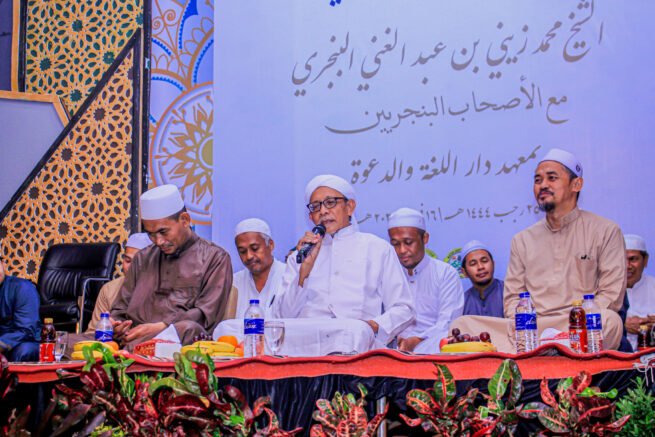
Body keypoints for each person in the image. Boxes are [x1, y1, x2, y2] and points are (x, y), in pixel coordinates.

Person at [451, 148, 626, 352]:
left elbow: (611, 295)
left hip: (579, 325)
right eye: (537, 180)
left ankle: (549, 349)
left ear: (576, 184)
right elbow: (513, 299)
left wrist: (577, 322)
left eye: (552, 178)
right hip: (534, 328)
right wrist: (526, 328)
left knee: (610, 320)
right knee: (463, 324)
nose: (543, 185)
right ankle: (551, 349)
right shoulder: (522, 240)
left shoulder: (605, 231)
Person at [273, 175, 415, 343]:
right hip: (307, 348)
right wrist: (303, 274)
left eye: (330, 202)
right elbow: (281, 316)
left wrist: (373, 327)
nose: (323, 211)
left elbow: (404, 308)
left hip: (357, 348)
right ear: (311, 217)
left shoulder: (377, 249)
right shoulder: (299, 256)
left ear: (350, 207)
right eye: (316, 207)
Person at [111, 184, 233, 347]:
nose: (158, 241)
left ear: (185, 220)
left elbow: (206, 315)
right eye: (151, 234)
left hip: (177, 341)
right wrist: (117, 326)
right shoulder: (142, 258)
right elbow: (119, 310)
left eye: (163, 232)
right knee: (76, 340)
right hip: (131, 336)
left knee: (187, 328)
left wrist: (162, 327)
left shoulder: (215, 258)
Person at [387, 207, 463, 352]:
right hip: (395, 349)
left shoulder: (445, 273)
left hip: (432, 346)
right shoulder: (388, 274)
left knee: (448, 339)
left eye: (408, 242)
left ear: (425, 238)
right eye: (395, 244)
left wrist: (417, 340)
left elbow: (448, 322)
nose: (402, 250)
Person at [84, 233, 152, 333]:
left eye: (138, 263)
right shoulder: (109, 289)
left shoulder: (163, 289)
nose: (131, 268)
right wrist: (109, 330)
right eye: (128, 261)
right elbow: (92, 332)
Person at [233, 218, 284, 319]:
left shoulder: (288, 276)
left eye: (255, 248)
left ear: (270, 245)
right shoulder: (234, 283)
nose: (249, 256)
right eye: (242, 251)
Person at [0, 259, 40, 361]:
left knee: (24, 350)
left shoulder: (22, 288)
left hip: (23, 342)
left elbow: (26, 330)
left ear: (3, 264)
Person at [623, 234, 655, 350]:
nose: (627, 266)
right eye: (622, 259)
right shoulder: (604, 289)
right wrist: (621, 325)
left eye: (633, 259)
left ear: (645, 261)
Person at [460, 240, 504, 318]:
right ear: (464, 272)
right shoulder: (462, 303)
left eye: (484, 261)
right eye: (473, 264)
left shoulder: (509, 292)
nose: (480, 267)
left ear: (493, 264)